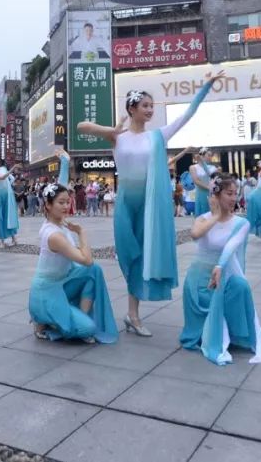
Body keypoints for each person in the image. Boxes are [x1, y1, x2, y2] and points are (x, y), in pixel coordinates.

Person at [77, 70, 222, 337]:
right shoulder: (117, 136)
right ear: (131, 108)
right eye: (145, 106)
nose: (149, 110)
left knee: (142, 257)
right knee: (128, 256)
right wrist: (108, 130)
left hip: (149, 207)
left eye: (151, 106)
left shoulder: (158, 135)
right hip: (125, 206)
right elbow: (81, 127)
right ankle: (132, 314)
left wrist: (207, 86)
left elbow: (187, 114)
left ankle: (133, 314)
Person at [180, 174, 261, 366]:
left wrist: (219, 266)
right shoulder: (203, 218)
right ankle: (209, 329)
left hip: (222, 275)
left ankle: (234, 330)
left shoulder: (241, 223)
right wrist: (216, 216)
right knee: (200, 336)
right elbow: (194, 235)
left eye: (236, 193)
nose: (234, 198)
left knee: (241, 285)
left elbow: (230, 247)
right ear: (216, 195)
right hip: (198, 280)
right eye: (229, 193)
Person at [29, 183, 117, 344]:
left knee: (94, 270)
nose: (65, 206)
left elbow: (89, 265)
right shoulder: (53, 235)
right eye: (61, 203)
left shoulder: (60, 223)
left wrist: (64, 161)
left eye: (67, 202)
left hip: (61, 282)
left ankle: (76, 317)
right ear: (48, 205)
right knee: (88, 329)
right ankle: (44, 316)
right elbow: (86, 259)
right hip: (46, 291)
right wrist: (81, 232)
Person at [0, 149, 21, 247]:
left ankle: (14, 238)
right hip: (0, 196)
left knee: (9, 215)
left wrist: (8, 186)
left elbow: (11, 178)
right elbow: (2, 177)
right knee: (1, 217)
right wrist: (13, 167)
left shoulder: (3, 168)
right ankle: (2, 241)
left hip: (8, 194)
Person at [189, 149, 219, 217]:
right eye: (208, 155)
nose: (210, 157)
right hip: (200, 193)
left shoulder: (213, 167)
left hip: (211, 194)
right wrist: (208, 187)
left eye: (211, 155)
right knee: (202, 214)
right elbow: (196, 181)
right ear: (202, 155)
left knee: (212, 214)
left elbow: (211, 176)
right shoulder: (193, 167)